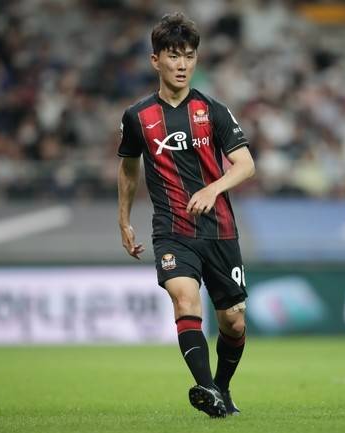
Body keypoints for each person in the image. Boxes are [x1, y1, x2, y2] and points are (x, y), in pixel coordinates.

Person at [117, 12, 255, 418]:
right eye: (173, 55)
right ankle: (207, 389)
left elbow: (246, 165)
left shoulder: (213, 111)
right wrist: (124, 219)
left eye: (189, 56)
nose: (182, 64)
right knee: (184, 298)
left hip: (220, 230)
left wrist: (213, 188)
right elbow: (128, 168)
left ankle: (222, 388)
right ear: (155, 60)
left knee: (233, 322)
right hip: (172, 230)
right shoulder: (137, 117)